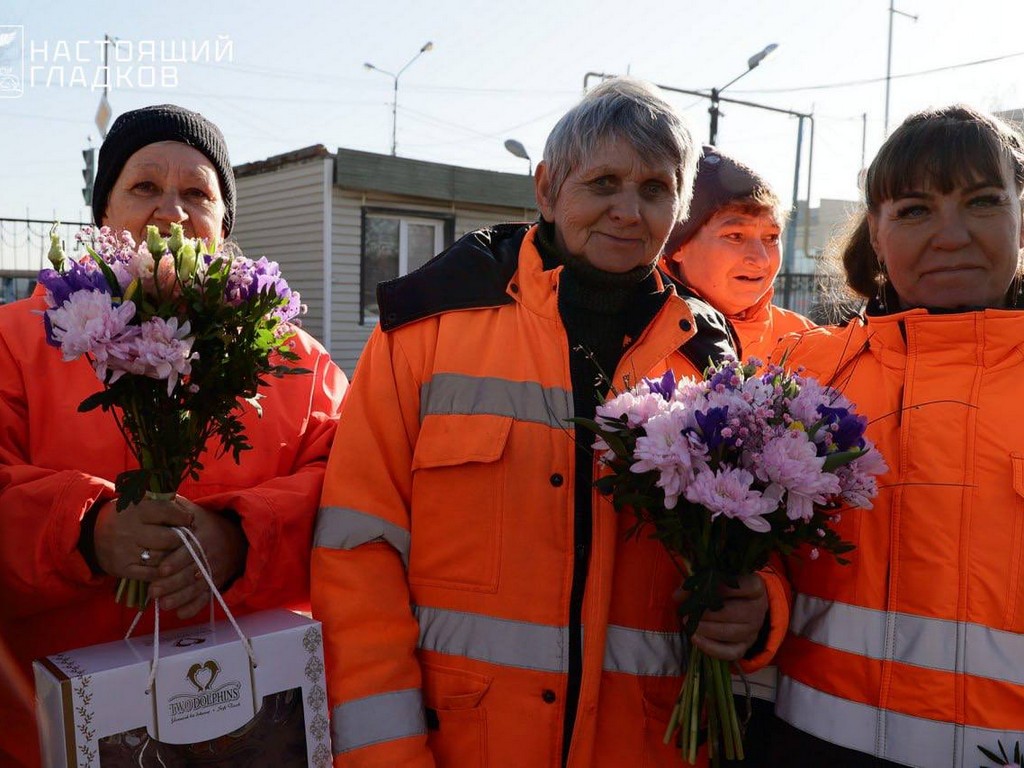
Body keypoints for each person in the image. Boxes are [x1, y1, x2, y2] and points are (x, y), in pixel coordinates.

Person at [311, 78, 789, 768]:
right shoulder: (426, 331)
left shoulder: (709, 356)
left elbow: (756, 548)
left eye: (655, 189)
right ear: (546, 189)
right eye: (603, 183)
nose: (628, 211)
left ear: (677, 207)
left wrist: (759, 609)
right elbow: (357, 558)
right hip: (461, 747)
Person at [0, 104, 348, 767]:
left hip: (253, 727)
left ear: (224, 226)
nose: (172, 210)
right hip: (51, 734)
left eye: (197, 193)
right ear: (104, 214)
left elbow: (354, 493)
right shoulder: (17, 341)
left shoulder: (298, 362)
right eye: (145, 187)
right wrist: (87, 530)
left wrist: (243, 540)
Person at [768, 105, 1024, 766]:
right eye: (914, 209)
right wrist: (751, 605)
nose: (952, 235)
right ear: (876, 235)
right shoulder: (807, 379)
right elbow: (761, 556)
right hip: (815, 747)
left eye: (983, 201)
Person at [664, 146, 814, 362]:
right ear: (678, 245)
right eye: (735, 236)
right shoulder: (639, 342)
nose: (760, 259)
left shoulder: (806, 342)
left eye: (771, 237)